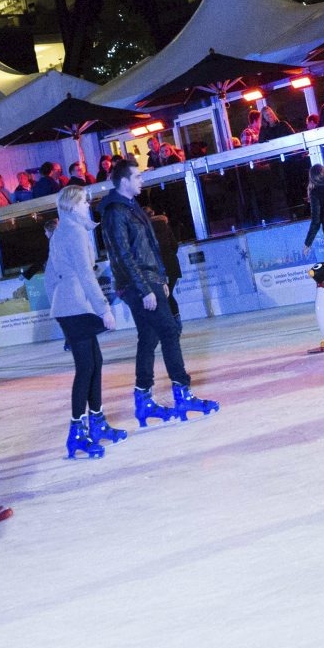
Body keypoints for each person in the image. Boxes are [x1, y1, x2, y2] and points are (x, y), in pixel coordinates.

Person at [100, 159, 218, 425]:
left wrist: (162, 277)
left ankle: (144, 400)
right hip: (137, 282)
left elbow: (151, 247)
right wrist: (144, 289)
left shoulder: (131, 208)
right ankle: (182, 393)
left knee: (149, 336)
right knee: (169, 331)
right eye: (137, 177)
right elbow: (123, 254)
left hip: (148, 278)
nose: (142, 181)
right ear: (124, 182)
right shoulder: (116, 212)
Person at [45, 187, 121, 459]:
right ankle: (77, 432)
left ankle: (97, 422)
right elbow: (86, 276)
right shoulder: (74, 232)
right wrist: (104, 309)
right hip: (75, 306)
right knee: (87, 366)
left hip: (70, 305)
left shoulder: (62, 231)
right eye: (83, 201)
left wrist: (58, 298)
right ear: (71, 205)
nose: (88, 205)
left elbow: (51, 274)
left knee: (94, 363)